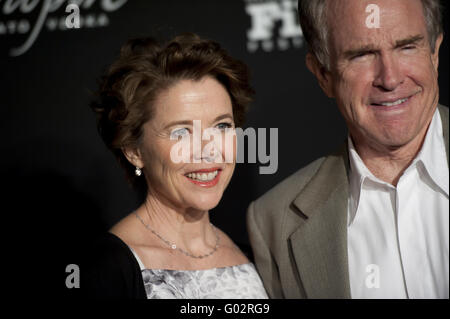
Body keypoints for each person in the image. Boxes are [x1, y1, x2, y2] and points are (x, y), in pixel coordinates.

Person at [247, 0, 448, 299]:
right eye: (362, 55)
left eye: (407, 47)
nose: (390, 79)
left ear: (434, 53)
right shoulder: (274, 222)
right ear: (323, 75)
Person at [84, 33, 268, 299]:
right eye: (181, 132)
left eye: (222, 126)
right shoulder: (106, 270)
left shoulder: (257, 258)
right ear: (134, 150)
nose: (209, 150)